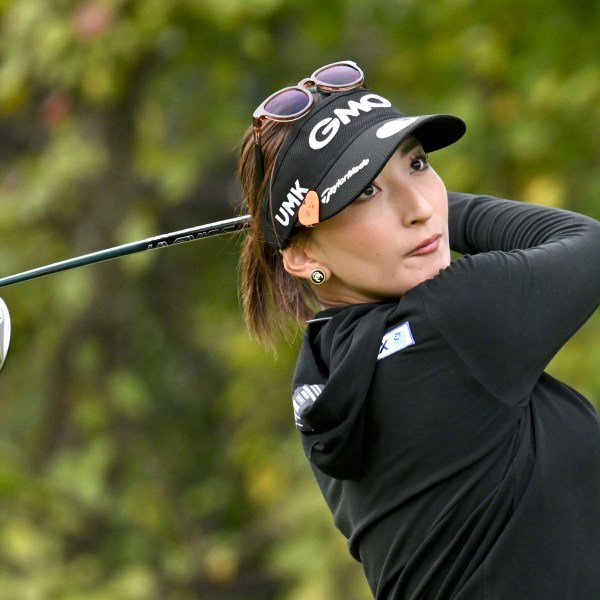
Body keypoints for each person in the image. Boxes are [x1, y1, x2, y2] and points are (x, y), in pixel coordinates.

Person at [236, 61, 600, 599]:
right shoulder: (451, 322)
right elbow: (587, 243)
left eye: (418, 164)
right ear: (303, 255)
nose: (416, 208)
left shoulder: (321, 367)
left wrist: (407, 208)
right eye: (363, 192)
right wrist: (440, 213)